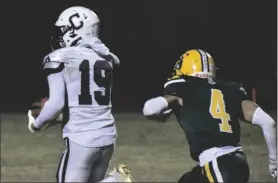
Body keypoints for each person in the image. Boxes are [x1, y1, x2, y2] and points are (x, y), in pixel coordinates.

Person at [27, 6, 132, 183]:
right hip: (107, 136)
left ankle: (115, 180)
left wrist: (36, 124)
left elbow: (56, 104)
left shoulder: (61, 57)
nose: (59, 36)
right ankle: (114, 180)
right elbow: (85, 102)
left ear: (76, 30)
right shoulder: (107, 58)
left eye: (63, 30)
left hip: (81, 138)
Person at [142, 49, 277, 183]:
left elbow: (148, 109)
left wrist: (161, 115)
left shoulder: (184, 88)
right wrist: (273, 162)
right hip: (237, 164)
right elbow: (268, 122)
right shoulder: (230, 90)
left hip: (217, 164)